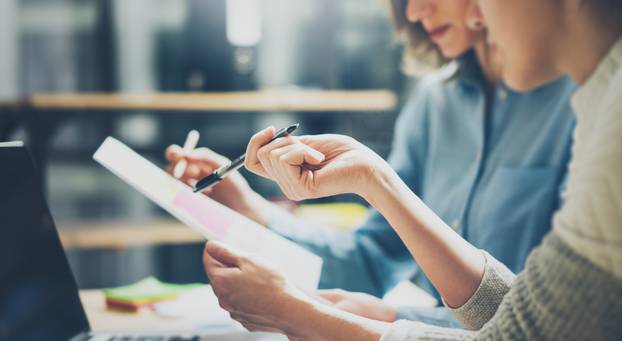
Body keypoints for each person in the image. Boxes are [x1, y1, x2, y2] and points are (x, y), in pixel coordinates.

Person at [202, 0, 622, 339]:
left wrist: (297, 314)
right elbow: (528, 315)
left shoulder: (601, 110)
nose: (477, 13)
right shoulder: (436, 102)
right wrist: (371, 180)